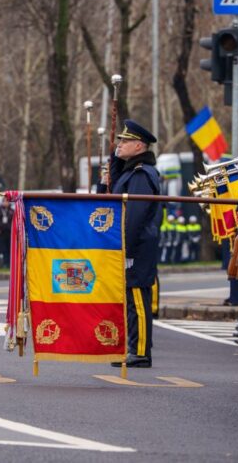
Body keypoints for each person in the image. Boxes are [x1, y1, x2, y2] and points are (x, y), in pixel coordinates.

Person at [106, 119, 162, 368]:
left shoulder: (141, 174)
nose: (120, 144)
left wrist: (125, 247)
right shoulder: (130, 171)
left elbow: (134, 215)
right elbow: (110, 202)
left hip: (137, 246)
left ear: (139, 146)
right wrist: (113, 166)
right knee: (130, 298)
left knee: (138, 297)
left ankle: (140, 352)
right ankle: (133, 347)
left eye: (125, 141)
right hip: (132, 244)